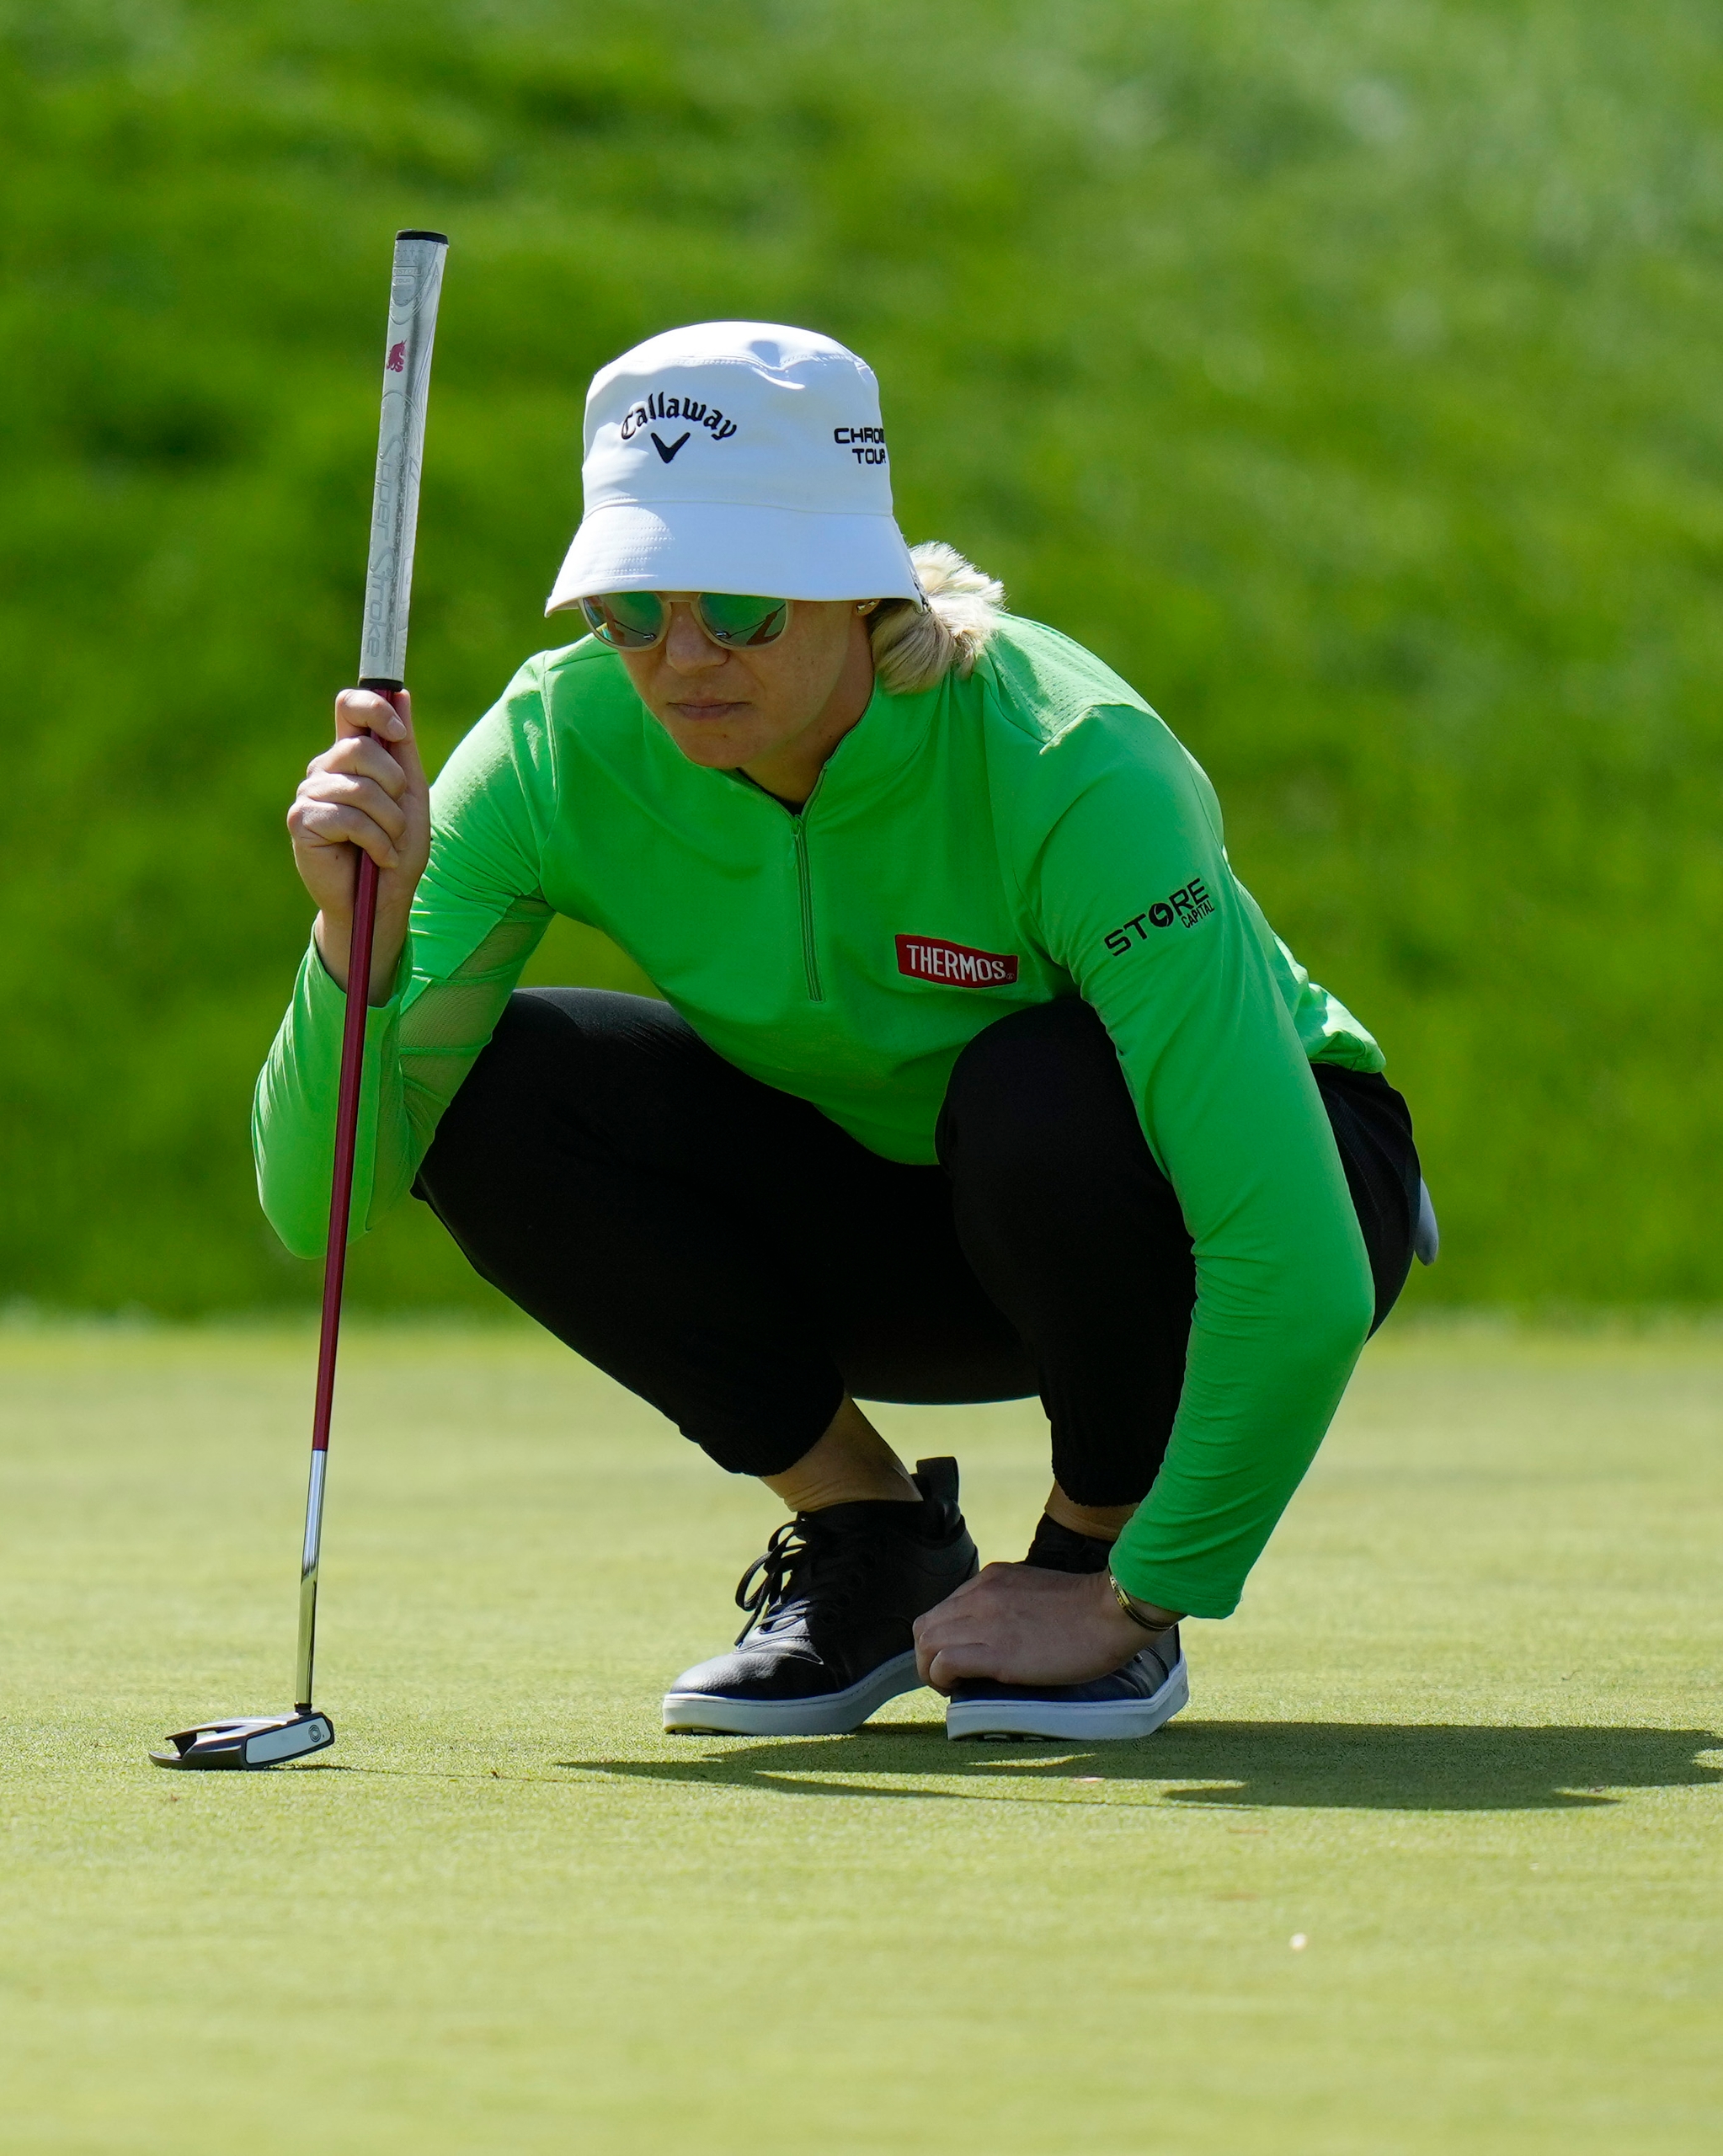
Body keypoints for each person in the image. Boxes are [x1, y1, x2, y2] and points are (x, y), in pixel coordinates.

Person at [253, 322, 1430, 1742]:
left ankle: (1091, 1554)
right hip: (921, 1225)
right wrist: (357, 952)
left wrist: (1139, 1587)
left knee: (1036, 1085)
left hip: (1244, 1190)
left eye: (742, 605)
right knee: (501, 1099)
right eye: (633, 609)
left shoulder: (1067, 758)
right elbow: (322, 1205)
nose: (682, 659)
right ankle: (874, 1541)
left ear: (856, 585)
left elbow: (1295, 1267)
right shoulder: (559, 746)